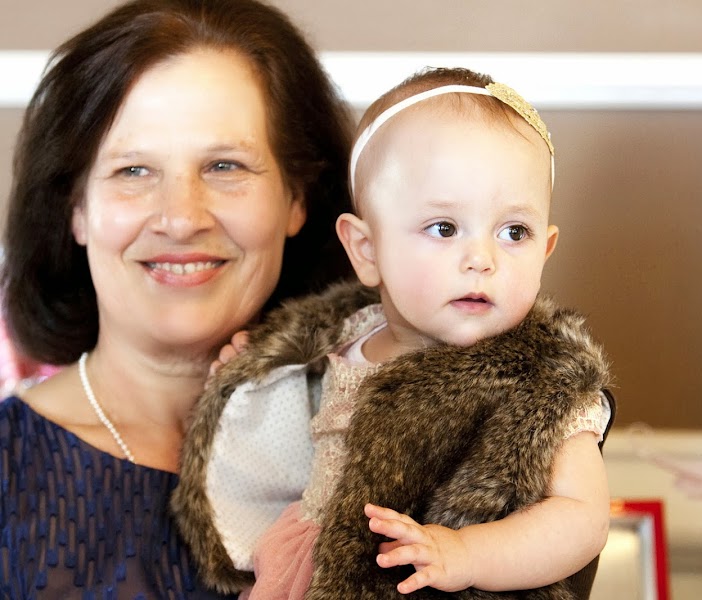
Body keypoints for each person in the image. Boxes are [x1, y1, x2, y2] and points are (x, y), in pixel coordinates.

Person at [174, 67, 615, 599]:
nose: (482, 259)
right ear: (366, 250)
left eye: (513, 232)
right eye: (444, 228)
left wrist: (467, 553)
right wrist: (252, 376)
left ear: (544, 250)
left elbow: (581, 518)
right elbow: (290, 447)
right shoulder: (344, 338)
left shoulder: (543, 384)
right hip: (312, 569)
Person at [0, 0, 355, 596]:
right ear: (77, 208)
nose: (181, 217)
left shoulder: (383, 442)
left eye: (224, 165)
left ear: (297, 197)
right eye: (133, 171)